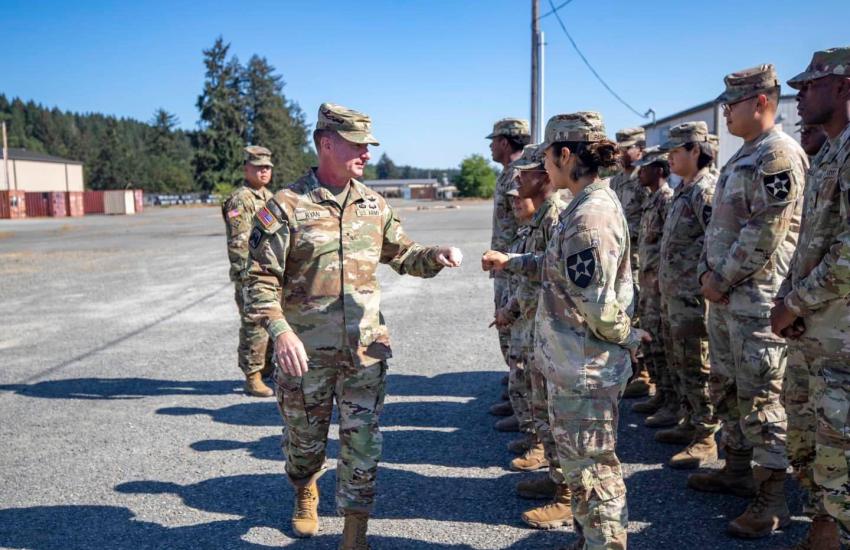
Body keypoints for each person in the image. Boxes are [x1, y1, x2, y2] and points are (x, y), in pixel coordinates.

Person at [243, 102, 462, 550]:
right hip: (304, 353)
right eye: (357, 144)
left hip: (365, 348)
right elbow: (259, 280)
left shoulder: (372, 204)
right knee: (304, 441)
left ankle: (354, 529)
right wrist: (280, 331)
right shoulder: (285, 205)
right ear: (326, 143)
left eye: (368, 145)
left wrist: (434, 255)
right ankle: (305, 486)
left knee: (362, 440)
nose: (366, 152)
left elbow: (403, 254)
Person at [483, 112, 650, 550]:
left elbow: (596, 303)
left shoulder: (588, 217)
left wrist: (629, 337)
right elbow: (562, 273)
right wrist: (513, 262)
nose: (543, 169)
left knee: (595, 471)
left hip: (586, 369)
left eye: (548, 159)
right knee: (580, 468)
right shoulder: (583, 205)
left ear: (565, 154)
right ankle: (588, 537)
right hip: (573, 364)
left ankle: (606, 543)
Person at [692, 64, 808, 539]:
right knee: (728, 387)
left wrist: (720, 277)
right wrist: (709, 275)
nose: (726, 113)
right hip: (725, 298)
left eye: (732, 104)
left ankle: (772, 497)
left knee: (762, 397)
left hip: (757, 300)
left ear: (760, 102)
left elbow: (767, 231)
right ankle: (737, 467)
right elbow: (720, 228)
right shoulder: (745, 156)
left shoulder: (777, 155)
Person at [771, 47, 850, 549]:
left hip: (839, 340)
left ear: (843, 87)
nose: (799, 97)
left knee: (841, 454)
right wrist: (789, 299)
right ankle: (822, 530)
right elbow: (808, 243)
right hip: (813, 336)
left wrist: (795, 303)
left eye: (811, 86)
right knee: (811, 444)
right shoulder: (829, 154)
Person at [506, 144, 572, 530]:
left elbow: (555, 269)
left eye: (526, 173)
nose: (518, 179)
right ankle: (555, 479)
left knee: (555, 411)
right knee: (543, 407)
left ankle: (567, 496)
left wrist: (510, 262)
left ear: (545, 177)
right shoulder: (542, 216)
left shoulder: (557, 214)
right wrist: (513, 308)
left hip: (553, 329)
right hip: (536, 324)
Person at [651, 123, 719, 471]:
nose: (670, 158)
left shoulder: (706, 190)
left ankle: (706, 436)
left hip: (693, 298)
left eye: (676, 151)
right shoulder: (684, 189)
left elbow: (715, 243)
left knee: (696, 364)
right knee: (680, 360)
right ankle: (691, 421)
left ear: (696, 151)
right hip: (674, 296)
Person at [221, 145, 276, 397]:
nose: (263, 172)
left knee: (271, 321)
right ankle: (252, 376)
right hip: (251, 274)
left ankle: (266, 368)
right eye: (258, 167)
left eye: (267, 168)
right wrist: (248, 276)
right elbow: (239, 243)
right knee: (254, 324)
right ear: (246, 169)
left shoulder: (268, 197)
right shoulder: (240, 199)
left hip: (271, 272)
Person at [488, 118, 532, 427]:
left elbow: (525, 223)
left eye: (493, 140)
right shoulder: (508, 174)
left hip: (515, 265)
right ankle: (519, 392)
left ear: (505, 142)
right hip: (505, 264)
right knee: (507, 330)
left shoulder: (519, 174)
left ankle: (527, 408)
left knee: (515, 328)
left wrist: (513, 263)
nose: (490, 145)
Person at [495, 183, 538, 463]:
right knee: (520, 377)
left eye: (522, 197)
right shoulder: (526, 229)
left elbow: (535, 277)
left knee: (532, 381)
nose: (517, 203)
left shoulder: (545, 226)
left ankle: (541, 445)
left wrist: (509, 310)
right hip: (521, 314)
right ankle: (533, 436)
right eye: (513, 200)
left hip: (532, 317)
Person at [630, 147, 674, 426]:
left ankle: (673, 402)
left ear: (659, 170)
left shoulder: (667, 199)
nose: (640, 173)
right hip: (647, 283)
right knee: (653, 342)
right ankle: (662, 394)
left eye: (645, 168)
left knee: (666, 344)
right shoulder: (651, 200)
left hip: (661, 285)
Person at [611, 127, 651, 399]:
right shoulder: (616, 181)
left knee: (641, 314)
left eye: (628, 147)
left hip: (640, 258)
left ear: (641, 149)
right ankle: (631, 369)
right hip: (621, 260)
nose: (622, 152)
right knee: (623, 313)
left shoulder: (644, 178)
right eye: (620, 147)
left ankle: (646, 374)